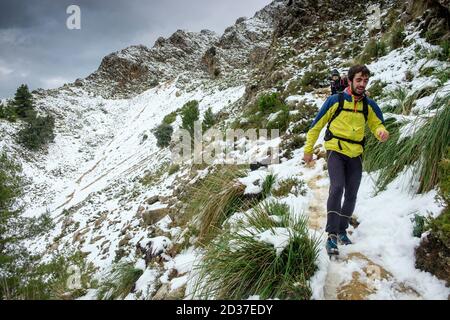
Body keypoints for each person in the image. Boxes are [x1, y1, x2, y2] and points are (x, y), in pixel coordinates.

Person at [303, 65, 390, 256]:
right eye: (359, 80)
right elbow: (316, 125)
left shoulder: (369, 105)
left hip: (356, 153)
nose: (362, 84)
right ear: (350, 80)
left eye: (365, 81)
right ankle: (331, 235)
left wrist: (381, 132)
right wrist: (308, 150)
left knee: (351, 193)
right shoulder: (335, 100)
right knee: (337, 188)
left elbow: (377, 124)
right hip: (335, 149)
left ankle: (342, 230)